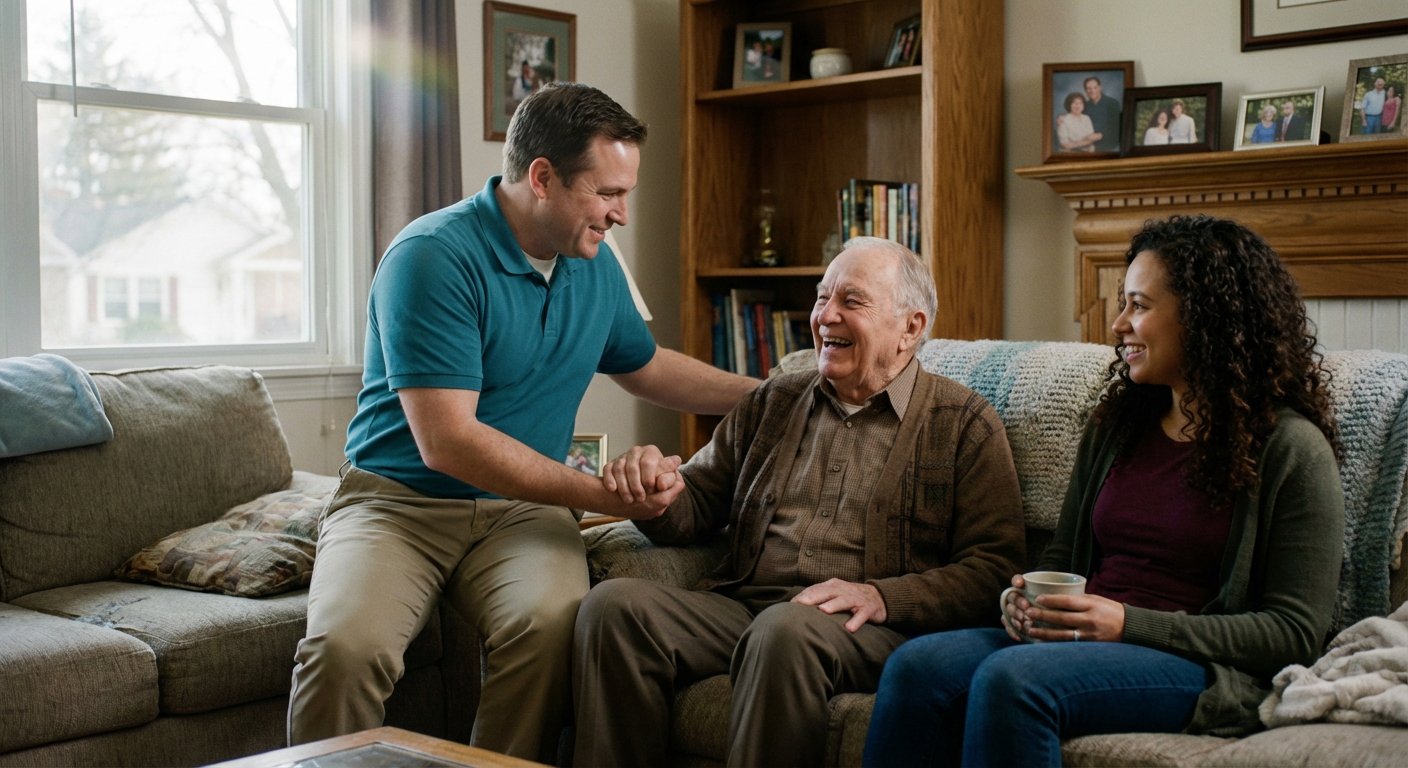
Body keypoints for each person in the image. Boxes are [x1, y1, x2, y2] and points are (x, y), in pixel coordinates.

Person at [287, 82, 759, 762]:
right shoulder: (432, 256)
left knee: (549, 628)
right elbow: (450, 442)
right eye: (607, 193)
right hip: (398, 504)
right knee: (345, 650)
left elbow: (647, 366)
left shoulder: (594, 261)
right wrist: (602, 494)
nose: (622, 214)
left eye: (625, 193)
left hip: (522, 513)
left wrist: (770, 393)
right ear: (542, 178)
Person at [862, 215, 1345, 768]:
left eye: (1139, 305)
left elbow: (1292, 633)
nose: (1118, 324)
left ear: (1204, 317)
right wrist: (1022, 604)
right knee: (916, 666)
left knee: (1014, 680)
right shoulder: (1117, 427)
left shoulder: (1292, 450)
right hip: (1081, 641)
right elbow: (1064, 558)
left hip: (1199, 665)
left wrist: (1126, 624)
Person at [572, 237, 1026, 768]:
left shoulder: (963, 423)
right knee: (615, 608)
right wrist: (655, 492)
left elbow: (994, 568)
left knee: (785, 630)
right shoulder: (774, 398)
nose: (825, 316)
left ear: (910, 328)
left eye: (851, 301)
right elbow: (696, 502)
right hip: (746, 607)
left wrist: (882, 596)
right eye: (821, 297)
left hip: (871, 630)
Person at [1083, 76, 1122, 152]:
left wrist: (1101, 135)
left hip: (1110, 146)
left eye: (1095, 87)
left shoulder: (1113, 103)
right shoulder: (1084, 106)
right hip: (1089, 145)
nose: (1092, 91)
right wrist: (1062, 118)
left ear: (1100, 88)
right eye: (1089, 88)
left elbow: (1116, 127)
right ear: (1086, 91)